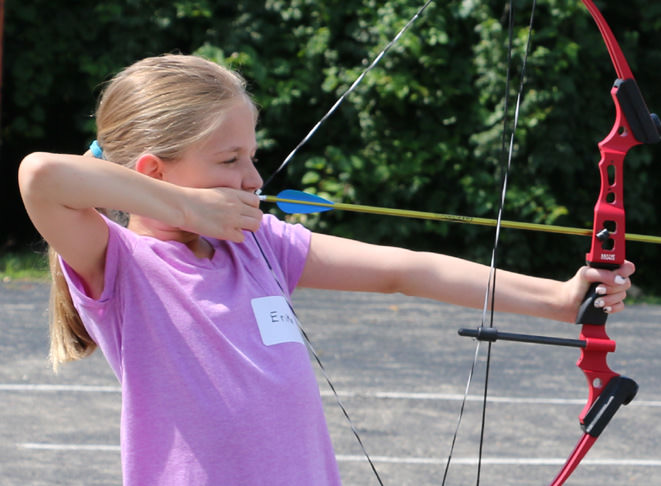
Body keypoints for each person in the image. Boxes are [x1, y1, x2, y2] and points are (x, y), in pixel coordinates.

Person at [18, 54, 635, 486]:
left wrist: (557, 299)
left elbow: (406, 270)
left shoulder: (257, 244)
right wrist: (184, 208)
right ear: (152, 174)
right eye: (230, 160)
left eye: (251, 157)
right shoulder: (121, 265)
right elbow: (42, 176)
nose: (254, 180)